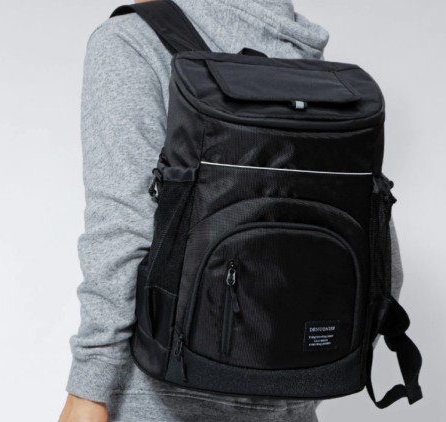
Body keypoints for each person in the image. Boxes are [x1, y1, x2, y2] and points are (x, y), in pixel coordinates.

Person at [59, 0, 404, 421]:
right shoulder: (304, 59)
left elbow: (121, 228)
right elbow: (384, 261)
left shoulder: (131, 41)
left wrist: (89, 387)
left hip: (161, 397)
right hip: (295, 400)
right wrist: (294, 376)